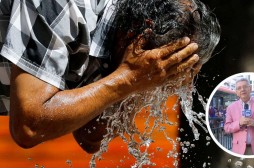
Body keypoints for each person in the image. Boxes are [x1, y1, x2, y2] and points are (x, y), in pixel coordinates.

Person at [0, 0, 220, 154]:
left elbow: (90, 137)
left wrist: (138, 84)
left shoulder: (122, 41)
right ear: (139, 36)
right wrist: (129, 78)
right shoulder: (66, 4)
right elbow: (29, 127)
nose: (162, 88)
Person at [224, 77, 254, 155]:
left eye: (245, 86)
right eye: (239, 88)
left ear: (250, 88)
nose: (242, 89)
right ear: (236, 92)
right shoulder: (230, 107)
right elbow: (227, 128)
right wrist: (239, 123)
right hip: (238, 149)